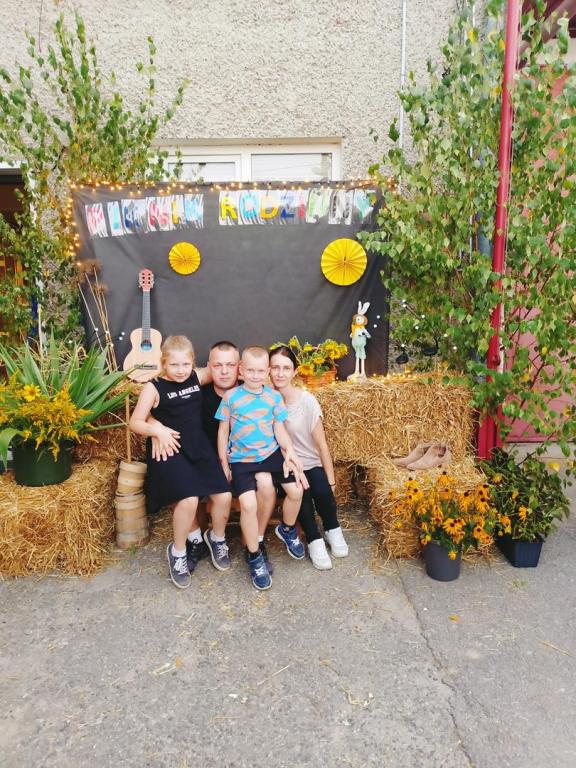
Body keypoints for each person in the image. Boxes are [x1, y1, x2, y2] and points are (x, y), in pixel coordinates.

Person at [129, 335, 231, 589]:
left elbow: (224, 370)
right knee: (188, 500)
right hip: (170, 448)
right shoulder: (153, 387)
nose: (181, 370)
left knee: (224, 495)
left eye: (186, 364)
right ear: (163, 362)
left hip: (197, 445)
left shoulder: (197, 377)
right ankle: (178, 552)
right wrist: (157, 429)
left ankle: (216, 538)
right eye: (174, 365)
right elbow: (135, 422)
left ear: (193, 363)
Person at [216, 346, 307, 591]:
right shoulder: (231, 397)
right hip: (242, 460)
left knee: (297, 490)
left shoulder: (274, 397)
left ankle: (286, 528)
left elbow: (279, 428)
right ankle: (254, 555)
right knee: (248, 505)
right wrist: (224, 462)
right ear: (241, 370)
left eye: (260, 371)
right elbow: (223, 431)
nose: (255, 376)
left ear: (267, 371)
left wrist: (290, 452)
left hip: (270, 454)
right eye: (250, 371)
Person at [269, 344, 349, 570]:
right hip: (283, 463)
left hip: (311, 461)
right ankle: (314, 539)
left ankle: (333, 529)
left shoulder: (307, 401)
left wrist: (331, 480)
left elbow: (321, 444)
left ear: (294, 371)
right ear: (268, 370)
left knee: (321, 488)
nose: (280, 373)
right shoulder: (265, 399)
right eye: (275, 367)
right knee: (301, 489)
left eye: (286, 368)